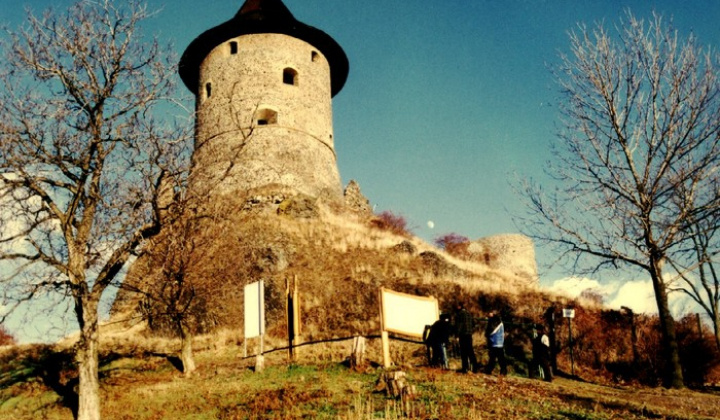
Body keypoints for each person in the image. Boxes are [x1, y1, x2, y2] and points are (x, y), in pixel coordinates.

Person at [454, 303, 478, 373]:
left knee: (463, 352)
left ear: (459, 307)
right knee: (470, 351)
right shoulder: (469, 314)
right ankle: (475, 368)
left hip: (463, 335)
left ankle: (465, 368)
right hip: (469, 335)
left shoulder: (459, 314)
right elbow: (474, 323)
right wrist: (470, 330)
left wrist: (457, 335)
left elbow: (459, 325)